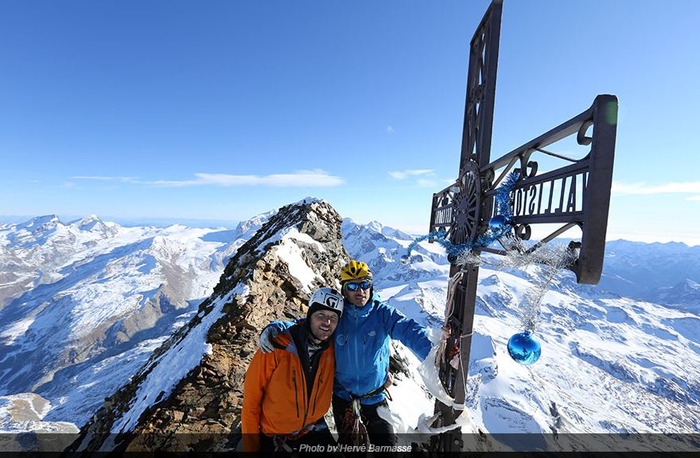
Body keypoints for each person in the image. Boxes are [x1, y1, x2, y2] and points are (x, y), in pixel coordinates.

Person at [260, 260, 432, 449]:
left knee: (387, 447)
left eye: (365, 284)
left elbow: (408, 330)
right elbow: (305, 325)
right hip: (344, 399)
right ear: (344, 290)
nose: (360, 291)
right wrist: (276, 327)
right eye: (352, 286)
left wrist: (433, 355)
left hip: (374, 398)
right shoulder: (337, 317)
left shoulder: (382, 314)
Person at [242, 287, 344, 455]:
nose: (327, 323)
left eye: (333, 318)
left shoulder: (334, 348)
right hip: (275, 436)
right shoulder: (276, 346)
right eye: (321, 315)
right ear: (309, 315)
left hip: (312, 429)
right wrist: (251, 449)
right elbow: (251, 402)